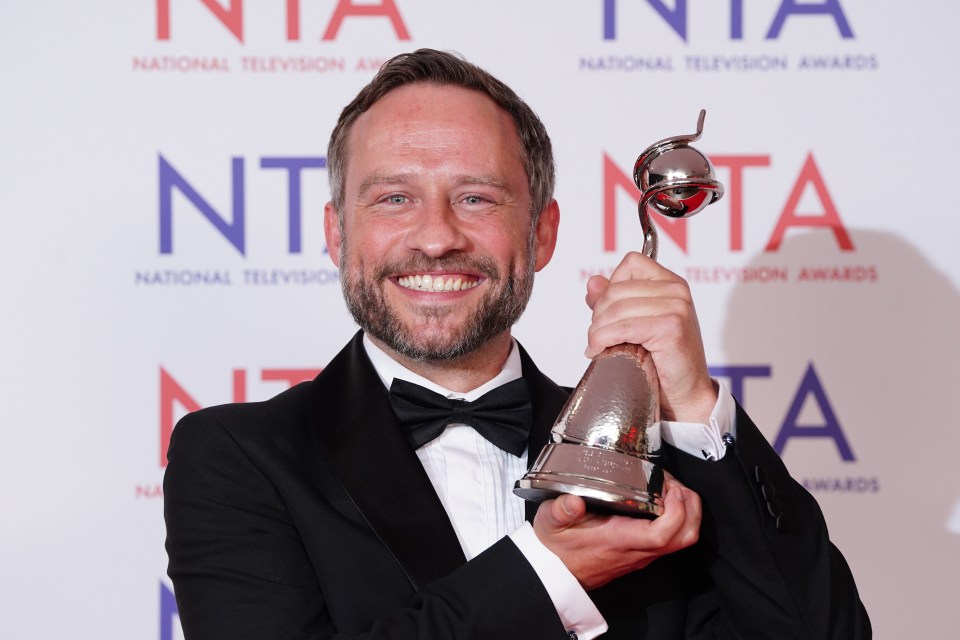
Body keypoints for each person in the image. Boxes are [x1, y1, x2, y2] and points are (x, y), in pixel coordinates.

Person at [164, 48, 870, 639]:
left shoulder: (653, 460)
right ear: (336, 234)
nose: (437, 236)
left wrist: (689, 405)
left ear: (542, 234)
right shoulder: (239, 457)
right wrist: (553, 570)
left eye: (477, 198)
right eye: (393, 199)